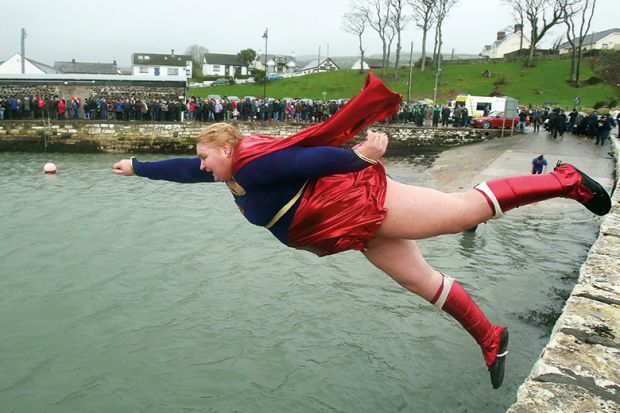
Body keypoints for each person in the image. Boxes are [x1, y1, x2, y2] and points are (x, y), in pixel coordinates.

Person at [112, 73, 611, 390]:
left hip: (366, 208)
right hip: (355, 231)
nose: (201, 165)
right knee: (421, 283)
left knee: (463, 212)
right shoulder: (228, 171)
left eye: (206, 156)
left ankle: (563, 180)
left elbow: (305, 158)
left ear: (225, 149)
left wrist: (358, 157)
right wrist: (137, 166)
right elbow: (181, 168)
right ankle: (489, 336)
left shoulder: (254, 166)